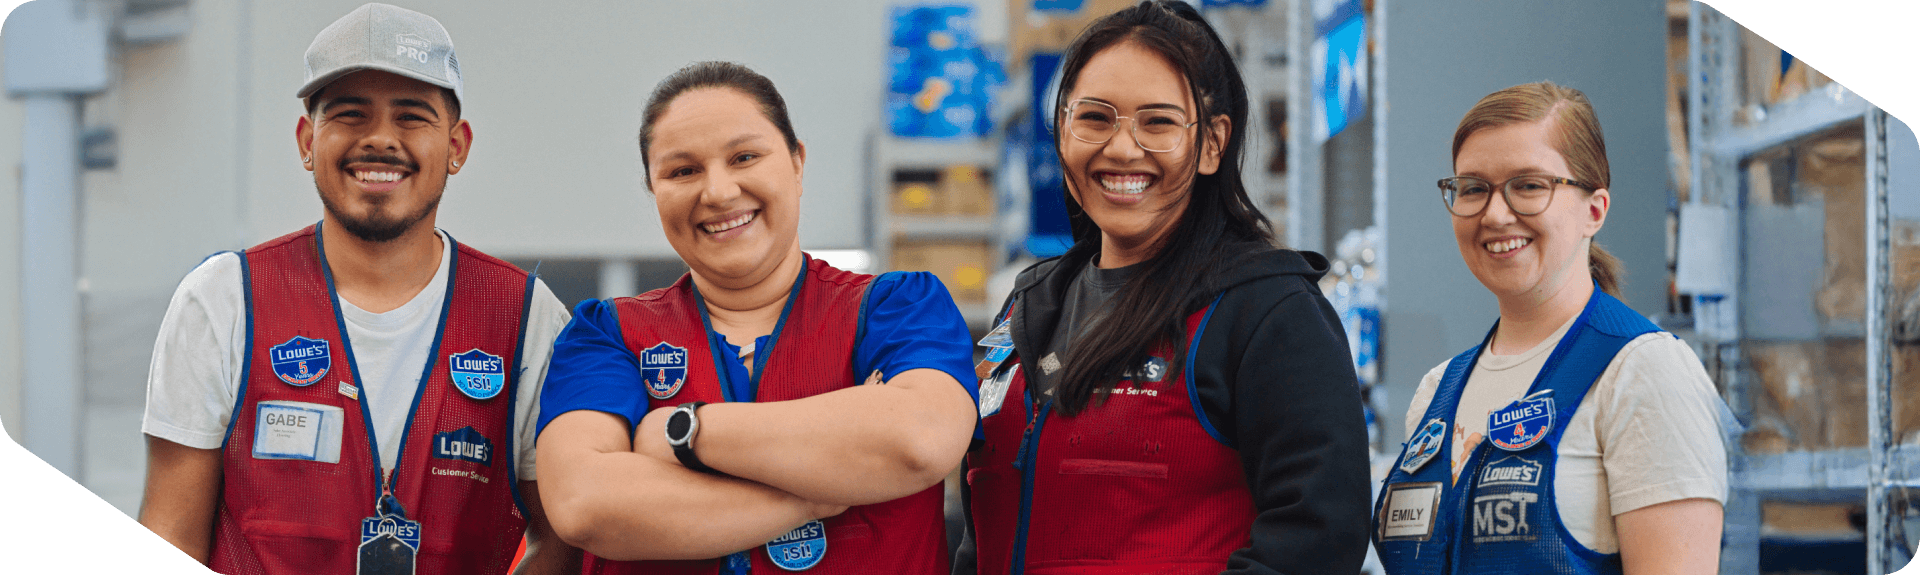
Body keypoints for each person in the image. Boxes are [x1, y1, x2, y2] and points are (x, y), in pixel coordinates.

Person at [136, 4, 578, 573]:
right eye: (349, 114)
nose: (379, 140)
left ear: (457, 146)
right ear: (306, 139)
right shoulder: (222, 299)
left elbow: (563, 538)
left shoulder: (526, 316)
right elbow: (172, 529)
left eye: (412, 117)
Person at [956, 2, 1372, 573]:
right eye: (1095, 118)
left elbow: (1315, 542)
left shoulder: (1268, 312)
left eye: (1158, 122)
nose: (1123, 148)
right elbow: (983, 527)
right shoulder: (1027, 307)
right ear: (1062, 129)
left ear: (1211, 144)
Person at [534, 61, 979, 574]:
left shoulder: (896, 309)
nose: (718, 192)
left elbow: (919, 441)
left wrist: (681, 431)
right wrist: (817, 497)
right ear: (654, 189)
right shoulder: (608, 336)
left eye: (744, 157)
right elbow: (586, 506)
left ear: (797, 163)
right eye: (682, 171)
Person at [1371, 82, 1726, 575]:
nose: (1495, 213)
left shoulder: (1642, 373)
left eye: (1530, 185)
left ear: (1594, 210)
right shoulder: (1436, 392)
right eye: (1473, 188)